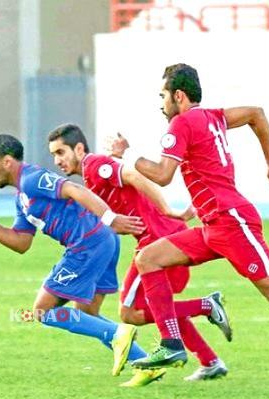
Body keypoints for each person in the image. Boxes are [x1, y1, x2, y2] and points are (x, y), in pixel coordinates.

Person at [107, 63, 269, 369]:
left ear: (179, 95)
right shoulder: (213, 117)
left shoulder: (181, 124)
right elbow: (255, 113)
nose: (161, 103)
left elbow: (163, 175)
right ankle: (171, 344)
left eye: (163, 95)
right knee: (148, 259)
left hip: (230, 220)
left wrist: (126, 154)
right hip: (212, 225)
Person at [0, 134, 163, 385]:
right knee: (87, 313)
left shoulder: (32, 179)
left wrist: (110, 218)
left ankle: (119, 332)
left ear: (8, 161)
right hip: (102, 241)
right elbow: (21, 243)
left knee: (42, 311)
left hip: (88, 243)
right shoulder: (22, 198)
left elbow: (73, 189)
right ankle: (145, 365)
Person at [47, 123, 232, 383]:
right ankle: (210, 361)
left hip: (157, 241)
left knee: (129, 313)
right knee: (161, 306)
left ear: (79, 148)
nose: (57, 160)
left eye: (61, 152)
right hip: (162, 236)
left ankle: (206, 305)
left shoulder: (94, 165)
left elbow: (134, 176)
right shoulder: (89, 181)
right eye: (53, 155)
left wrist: (166, 208)